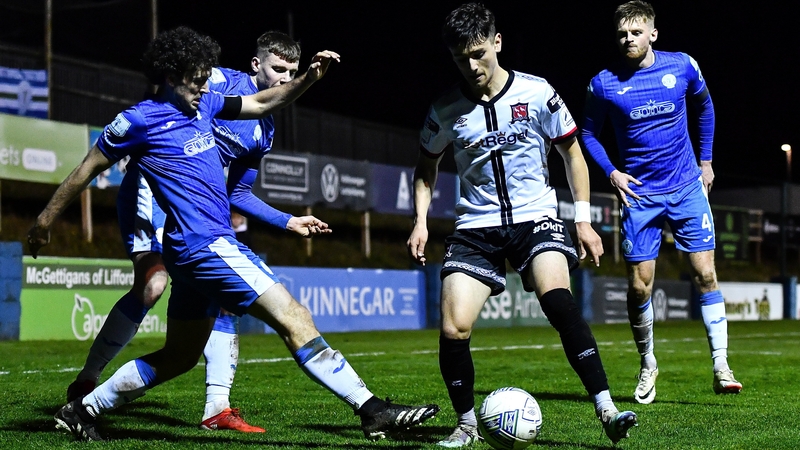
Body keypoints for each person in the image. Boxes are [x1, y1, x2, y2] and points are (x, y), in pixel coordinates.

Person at [29, 26, 438, 442]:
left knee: (181, 356)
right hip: (205, 245)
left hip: (192, 249)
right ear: (171, 76)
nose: (205, 84)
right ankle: (372, 410)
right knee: (295, 317)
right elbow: (86, 169)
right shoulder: (138, 120)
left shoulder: (203, 105)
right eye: (197, 77)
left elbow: (263, 102)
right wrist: (44, 222)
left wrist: (309, 79)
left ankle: (81, 410)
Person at [63, 30, 327, 433]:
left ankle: (217, 406)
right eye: (279, 69)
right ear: (257, 64)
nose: (285, 78)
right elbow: (168, 91)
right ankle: (88, 378)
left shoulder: (263, 130)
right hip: (152, 189)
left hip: (198, 211)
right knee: (152, 285)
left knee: (220, 294)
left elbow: (237, 191)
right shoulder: (218, 82)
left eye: (292, 72)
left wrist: (286, 221)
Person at [406, 4, 636, 447]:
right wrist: (420, 221)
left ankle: (606, 408)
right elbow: (425, 166)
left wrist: (583, 221)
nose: (471, 66)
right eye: (460, 59)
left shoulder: (537, 93)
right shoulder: (445, 109)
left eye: (477, 53)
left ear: (497, 42)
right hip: (475, 227)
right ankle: (467, 425)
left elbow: (572, 154)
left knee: (559, 303)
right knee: (454, 328)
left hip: (537, 218)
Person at [580, 0, 742, 404]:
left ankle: (721, 365)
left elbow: (705, 107)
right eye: (621, 33)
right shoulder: (603, 83)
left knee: (705, 273)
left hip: (687, 186)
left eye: (636, 32)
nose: (628, 39)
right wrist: (613, 173)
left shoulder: (683, 65)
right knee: (639, 286)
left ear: (653, 33)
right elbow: (588, 133)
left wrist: (706, 160)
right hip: (641, 196)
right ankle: (648, 362)